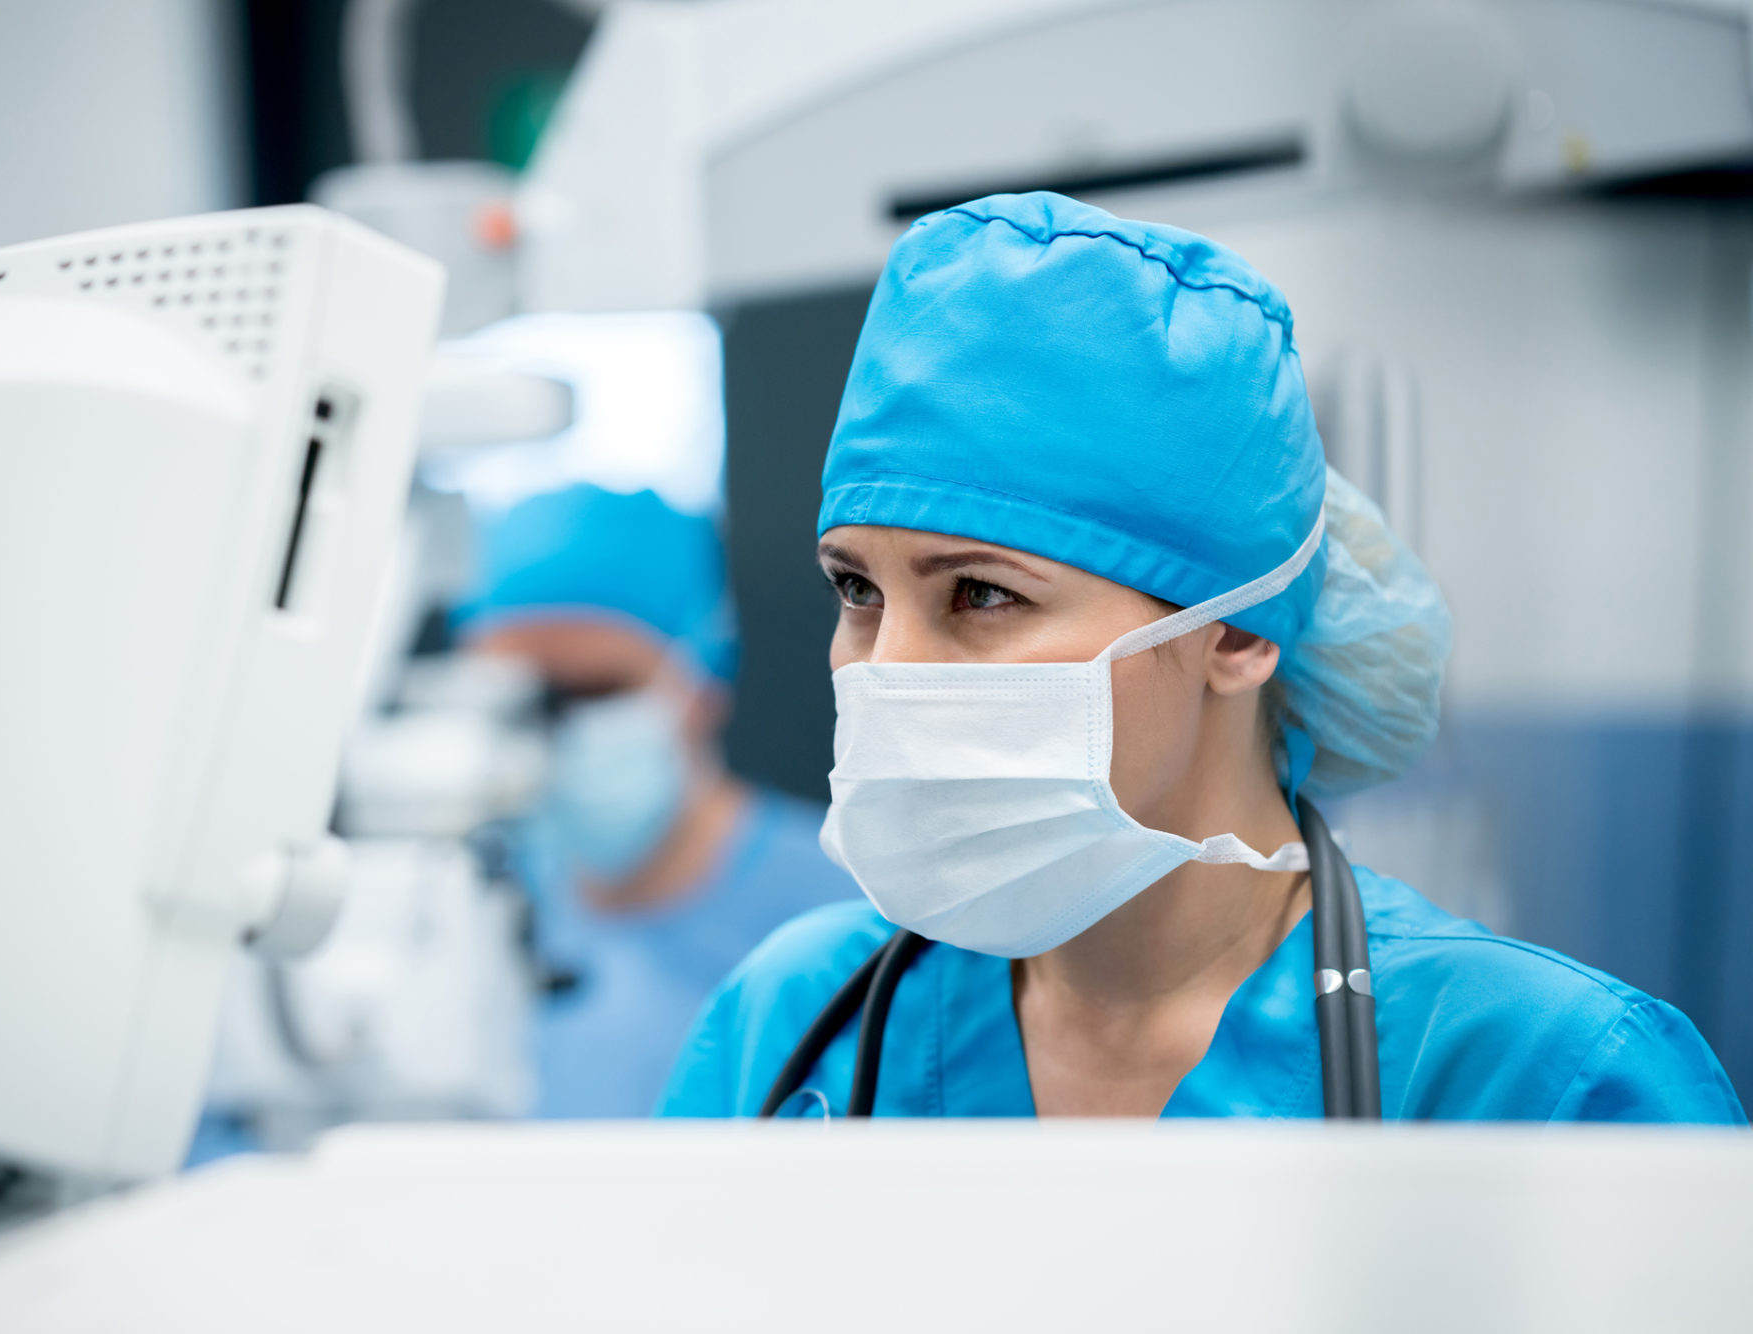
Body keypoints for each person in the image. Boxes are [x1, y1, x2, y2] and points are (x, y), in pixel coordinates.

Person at [659, 193, 1745, 1122]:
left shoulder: (1532, 1078)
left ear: (1234, 629)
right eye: (856, 589)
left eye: (981, 594)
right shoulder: (790, 1027)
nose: (886, 667)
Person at [456, 484, 859, 1117]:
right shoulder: (455, 918)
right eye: (523, 699)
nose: (556, 732)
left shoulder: (851, 918)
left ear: (701, 678)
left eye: (597, 691)